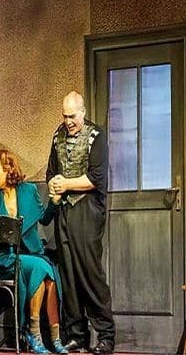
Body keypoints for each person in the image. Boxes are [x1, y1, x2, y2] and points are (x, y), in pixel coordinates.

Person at [0, 149, 66, 354]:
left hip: (31, 253)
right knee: (42, 268)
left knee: (49, 277)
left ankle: (54, 337)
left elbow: (44, 218)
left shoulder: (28, 190)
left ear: (8, 170)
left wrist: (55, 202)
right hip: (7, 259)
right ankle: (34, 334)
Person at [46, 91, 115, 354]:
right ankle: (76, 334)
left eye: (72, 116)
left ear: (83, 113)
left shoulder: (96, 136)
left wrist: (66, 184)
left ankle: (106, 335)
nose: (68, 121)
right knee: (69, 274)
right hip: (64, 211)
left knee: (89, 272)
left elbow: (96, 178)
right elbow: (52, 171)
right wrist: (54, 184)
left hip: (87, 210)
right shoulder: (58, 136)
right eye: (64, 116)